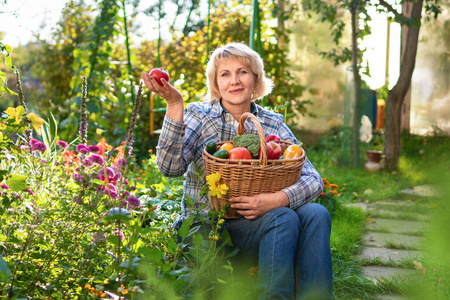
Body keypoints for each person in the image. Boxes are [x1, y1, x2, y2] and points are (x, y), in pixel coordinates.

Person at [142, 42, 333, 300]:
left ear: (256, 80)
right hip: (210, 230)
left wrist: (275, 200)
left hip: (262, 226)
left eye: (243, 72)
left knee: (316, 213)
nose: (235, 81)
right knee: (283, 217)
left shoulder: (270, 122)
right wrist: (175, 104)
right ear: (216, 83)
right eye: (225, 74)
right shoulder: (199, 115)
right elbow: (169, 168)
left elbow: (313, 179)